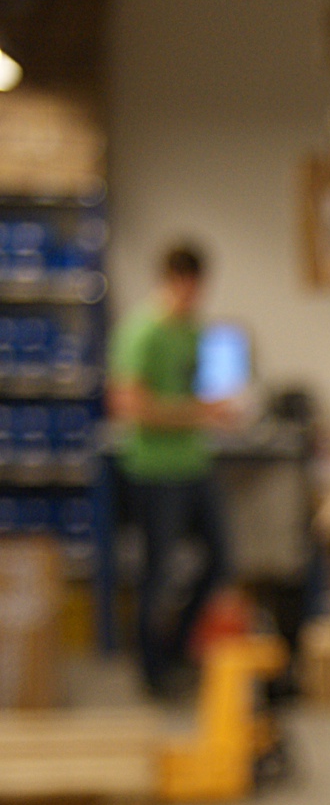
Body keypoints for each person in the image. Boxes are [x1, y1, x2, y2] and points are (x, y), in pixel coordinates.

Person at [108, 242, 239, 696]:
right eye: (188, 287)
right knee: (157, 573)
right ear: (172, 281)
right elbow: (129, 405)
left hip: (194, 464)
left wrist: (217, 410)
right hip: (155, 470)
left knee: (220, 561)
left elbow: (193, 391)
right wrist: (199, 414)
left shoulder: (193, 331)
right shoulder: (141, 332)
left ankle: (177, 648)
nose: (193, 297)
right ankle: (153, 673)